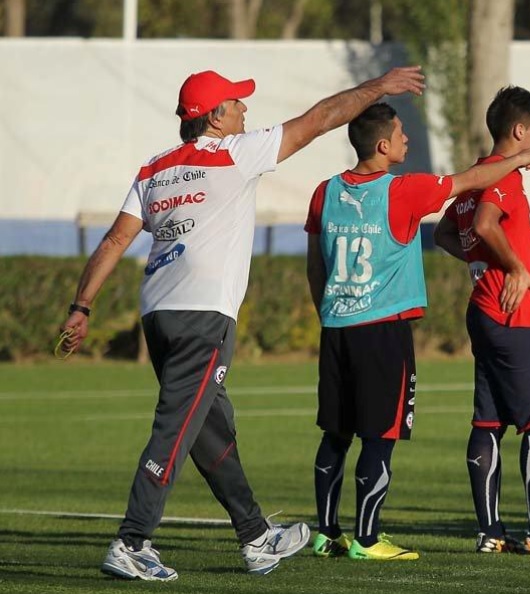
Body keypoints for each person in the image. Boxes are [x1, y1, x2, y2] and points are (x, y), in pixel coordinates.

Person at [58, 66, 426, 581]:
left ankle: (256, 536)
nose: (244, 109)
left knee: (211, 434)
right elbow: (319, 119)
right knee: (176, 428)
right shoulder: (236, 152)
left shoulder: (155, 168)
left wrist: (82, 306)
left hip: (158, 316)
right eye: (235, 103)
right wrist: (377, 88)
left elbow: (116, 240)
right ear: (214, 116)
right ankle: (132, 541)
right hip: (203, 317)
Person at [304, 102, 530, 561]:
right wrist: (519, 158)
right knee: (379, 436)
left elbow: (316, 266)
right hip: (383, 332)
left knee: (335, 433)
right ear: (383, 145)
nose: (407, 139)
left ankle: (326, 534)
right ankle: (367, 540)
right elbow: (469, 180)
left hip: (336, 327)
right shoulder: (403, 190)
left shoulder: (324, 192)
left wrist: (328, 313)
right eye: (400, 133)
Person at [433, 86, 530, 556]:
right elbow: (485, 224)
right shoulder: (504, 178)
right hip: (517, 316)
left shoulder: (478, 176)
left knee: (489, 420)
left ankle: (491, 533)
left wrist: (482, 265)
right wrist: (515, 268)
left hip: (484, 312)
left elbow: (446, 232)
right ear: (519, 130)